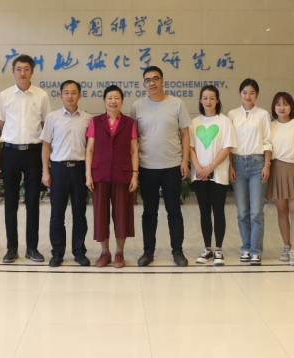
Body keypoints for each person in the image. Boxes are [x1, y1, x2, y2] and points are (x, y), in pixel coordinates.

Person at [131, 66, 192, 267]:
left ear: (162, 81)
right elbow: (133, 139)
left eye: (155, 79)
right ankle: (148, 251)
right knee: (149, 212)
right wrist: (135, 169)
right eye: (148, 80)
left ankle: (178, 251)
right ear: (144, 84)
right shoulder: (137, 106)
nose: (152, 83)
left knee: (174, 211)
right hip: (147, 166)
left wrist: (184, 161)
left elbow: (185, 134)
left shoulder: (177, 104)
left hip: (172, 165)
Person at [0, 54, 51, 263]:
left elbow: (46, 125)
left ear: (32, 72)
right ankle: (11, 248)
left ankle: (32, 247)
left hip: (33, 152)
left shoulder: (41, 95)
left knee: (32, 201)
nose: (22, 73)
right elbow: (1, 124)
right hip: (10, 152)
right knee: (10, 201)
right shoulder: (4, 96)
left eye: (26, 69)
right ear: (13, 72)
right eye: (18, 69)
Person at [85, 86, 138, 268]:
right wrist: (88, 175)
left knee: (122, 215)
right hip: (99, 174)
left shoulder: (130, 123)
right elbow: (89, 149)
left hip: (122, 174)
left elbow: (134, 151)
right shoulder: (95, 121)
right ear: (104, 101)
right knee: (101, 215)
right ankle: (105, 252)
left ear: (122, 101)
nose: (113, 101)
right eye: (109, 98)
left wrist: (134, 175)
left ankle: (119, 253)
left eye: (117, 98)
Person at [40, 80, 92, 267]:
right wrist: (46, 172)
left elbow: (91, 148)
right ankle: (57, 252)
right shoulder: (52, 117)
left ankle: (79, 251)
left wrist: (89, 174)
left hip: (79, 169)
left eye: (74, 92)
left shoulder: (88, 119)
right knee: (57, 214)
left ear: (80, 95)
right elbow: (45, 146)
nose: (70, 96)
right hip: (59, 170)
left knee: (80, 213)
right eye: (66, 92)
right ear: (60, 95)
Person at [189, 85, 235, 266]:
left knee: (218, 210)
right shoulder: (194, 123)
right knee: (204, 211)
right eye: (205, 98)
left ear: (217, 100)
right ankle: (207, 248)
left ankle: (219, 250)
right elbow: (191, 148)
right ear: (200, 101)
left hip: (218, 174)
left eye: (212, 98)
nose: (208, 101)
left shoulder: (225, 121)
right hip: (199, 175)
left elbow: (227, 147)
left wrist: (210, 167)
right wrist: (199, 168)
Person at [227, 78, 272, 266]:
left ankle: (256, 251)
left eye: (252, 93)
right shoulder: (232, 114)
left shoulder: (263, 114)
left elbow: (267, 141)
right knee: (242, 211)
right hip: (237, 163)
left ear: (257, 95)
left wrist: (267, 165)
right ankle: (245, 248)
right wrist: (230, 166)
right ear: (240, 94)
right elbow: (228, 143)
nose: (248, 96)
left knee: (256, 212)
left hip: (257, 163)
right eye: (245, 92)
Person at [267, 91, 294, 266]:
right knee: (282, 211)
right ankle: (286, 246)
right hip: (276, 170)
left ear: (291, 107)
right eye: (278, 104)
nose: (282, 107)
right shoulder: (270, 126)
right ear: (274, 107)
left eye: (285, 104)